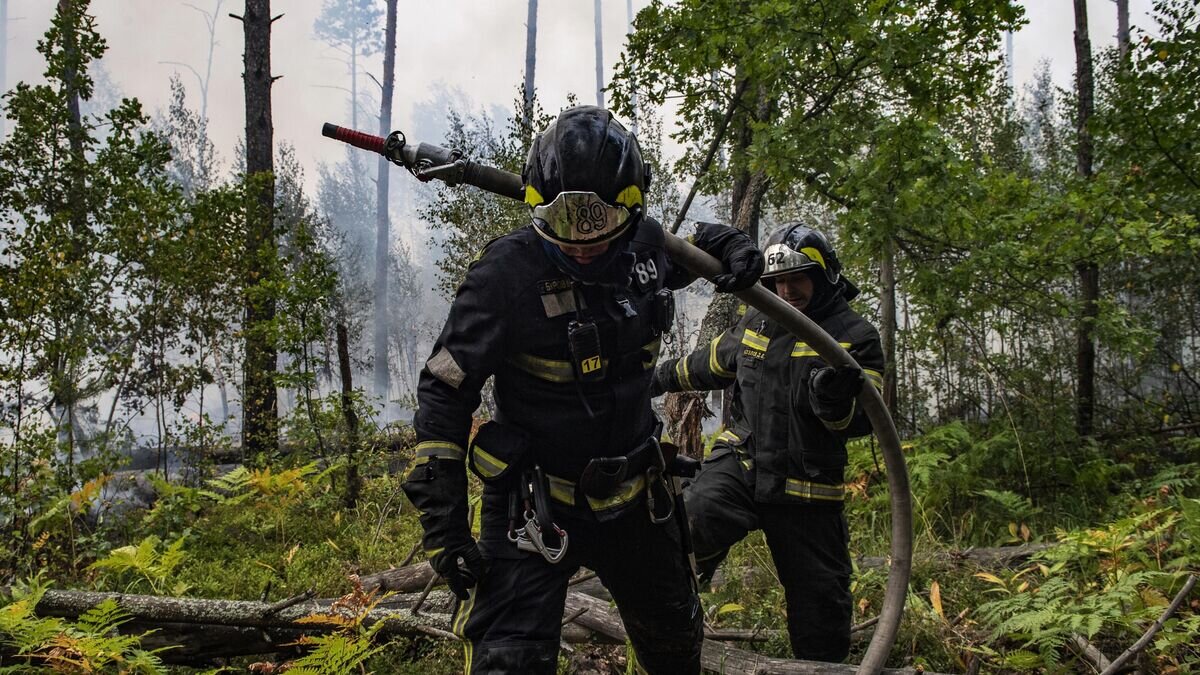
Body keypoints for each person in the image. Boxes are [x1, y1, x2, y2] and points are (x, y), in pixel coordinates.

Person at [402, 105, 764, 674]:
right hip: (532, 509)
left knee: (675, 650)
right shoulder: (504, 277)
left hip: (639, 499)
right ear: (537, 208)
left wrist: (725, 241)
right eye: (565, 223)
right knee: (508, 662)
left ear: (632, 205)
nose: (583, 243)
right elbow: (444, 393)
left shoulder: (646, 247)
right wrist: (443, 524)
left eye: (598, 224)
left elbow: (691, 252)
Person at [652, 223, 884, 663]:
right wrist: (650, 380)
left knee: (822, 614)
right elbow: (709, 364)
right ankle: (674, 633)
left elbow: (865, 423)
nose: (786, 290)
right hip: (741, 467)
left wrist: (833, 403)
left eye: (797, 279)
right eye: (778, 281)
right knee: (685, 530)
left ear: (825, 276)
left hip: (807, 492)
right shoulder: (759, 317)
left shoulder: (856, 336)